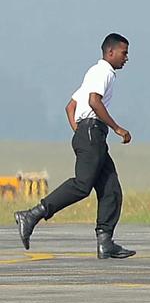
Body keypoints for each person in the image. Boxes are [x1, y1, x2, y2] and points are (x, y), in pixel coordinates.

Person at [15, 33, 136, 259]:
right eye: (124, 52)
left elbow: (70, 107)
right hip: (93, 133)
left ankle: (105, 242)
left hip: (91, 134)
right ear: (110, 52)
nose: (126, 58)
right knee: (82, 185)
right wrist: (117, 128)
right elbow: (93, 101)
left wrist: (81, 131)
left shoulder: (94, 73)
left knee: (111, 188)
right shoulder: (103, 72)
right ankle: (31, 215)